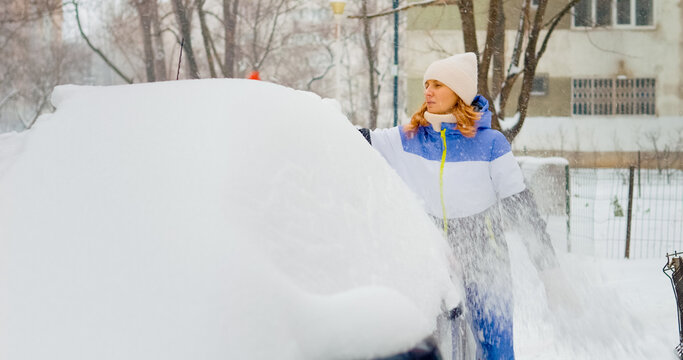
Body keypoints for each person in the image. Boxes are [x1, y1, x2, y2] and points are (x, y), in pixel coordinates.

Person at [359, 53, 561, 359]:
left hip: (485, 260)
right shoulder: (406, 138)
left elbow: (523, 209)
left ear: (459, 94)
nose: (428, 91)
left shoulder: (491, 143)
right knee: (420, 343)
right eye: (427, 84)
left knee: (495, 347)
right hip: (431, 262)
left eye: (438, 84)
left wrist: (549, 270)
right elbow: (356, 141)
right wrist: (320, 117)